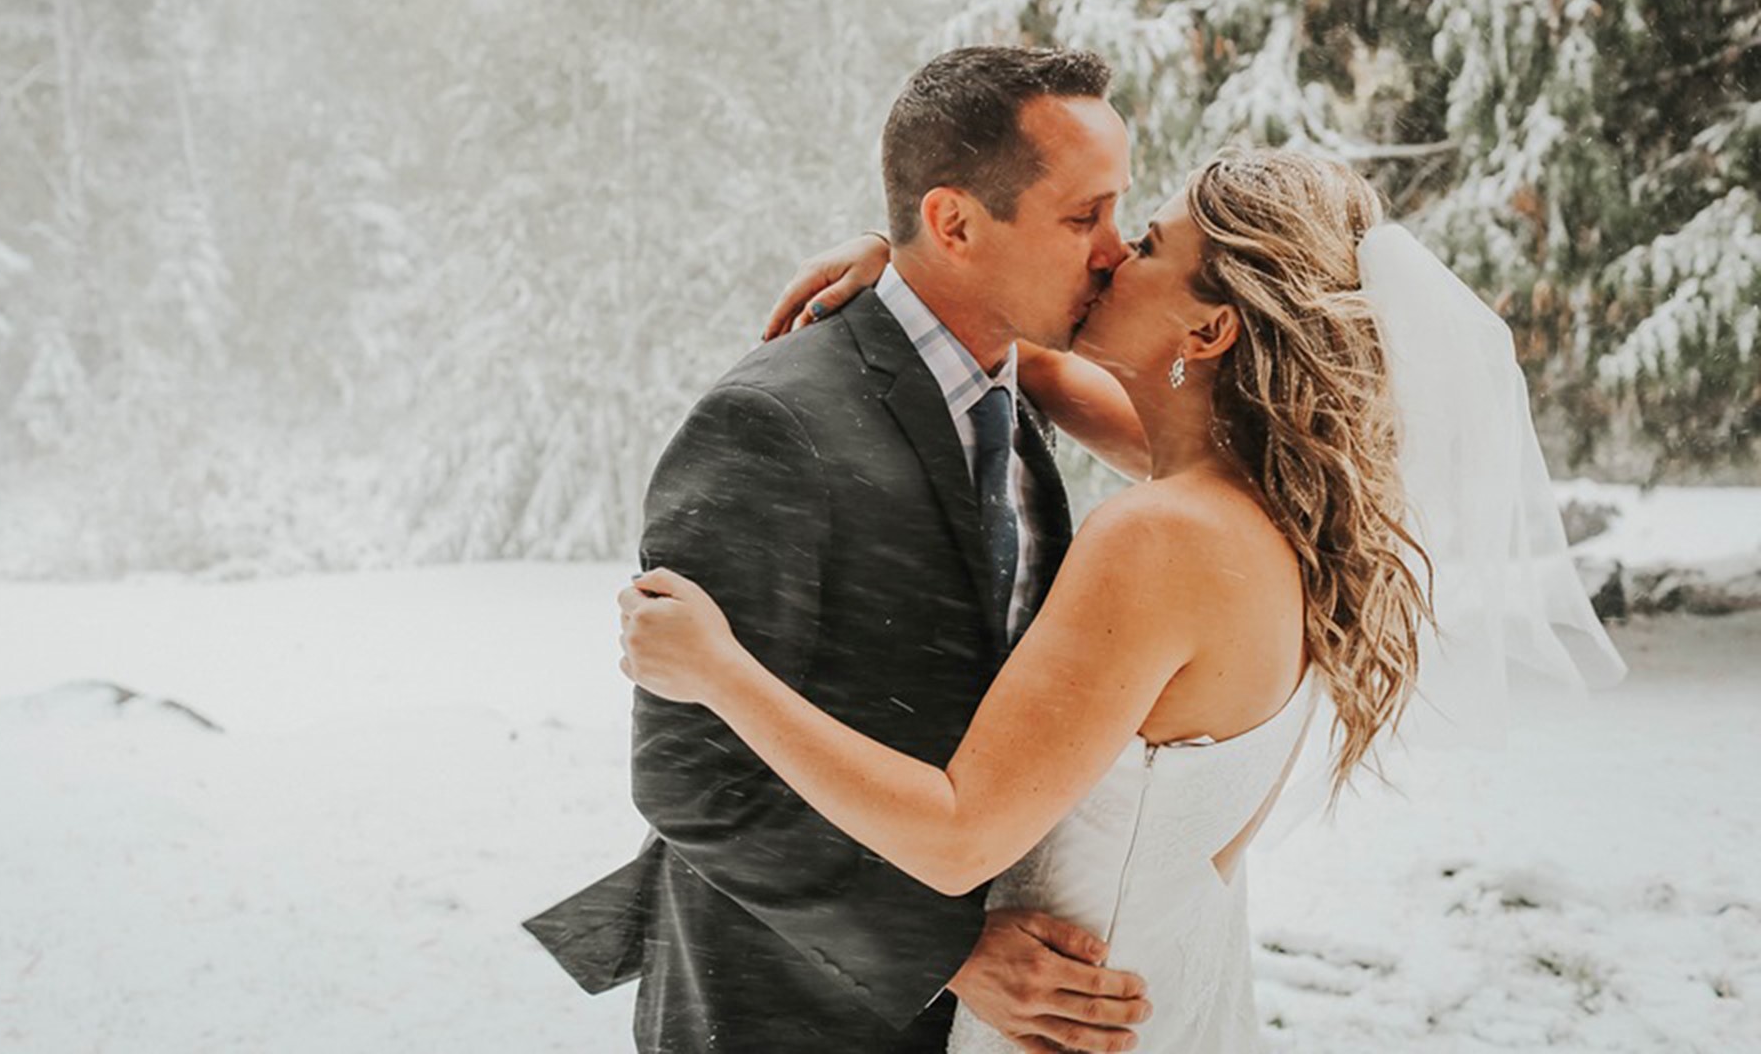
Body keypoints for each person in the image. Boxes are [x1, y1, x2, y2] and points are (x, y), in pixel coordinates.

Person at [617, 147, 1626, 1052]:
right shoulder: (1288, 505)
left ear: (1212, 324)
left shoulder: (1161, 539)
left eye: (1145, 243)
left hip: (1062, 1012)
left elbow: (963, 832)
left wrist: (719, 672)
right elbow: (1046, 369)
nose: (1108, 256)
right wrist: (923, 263)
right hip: (1173, 984)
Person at [524, 46, 1156, 1053]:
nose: (1115, 251)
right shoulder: (771, 423)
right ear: (952, 221)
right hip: (783, 1011)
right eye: (1084, 217)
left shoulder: (1012, 391)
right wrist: (945, 951)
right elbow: (692, 778)